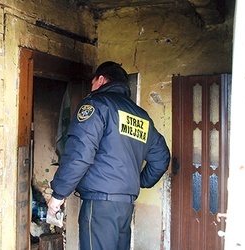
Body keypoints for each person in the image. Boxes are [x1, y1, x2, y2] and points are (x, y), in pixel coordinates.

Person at [47, 61, 170, 250]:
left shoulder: (97, 105)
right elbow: (161, 158)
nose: (92, 87)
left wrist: (58, 194)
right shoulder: (141, 116)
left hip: (100, 204)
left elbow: (80, 153)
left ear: (101, 80)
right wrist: (138, 181)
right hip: (125, 204)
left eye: (93, 82)